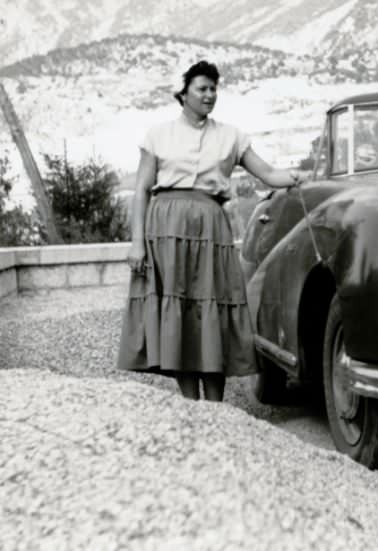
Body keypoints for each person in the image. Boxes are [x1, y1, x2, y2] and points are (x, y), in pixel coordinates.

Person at [117, 60, 306, 401]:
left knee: (212, 311)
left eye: (213, 89)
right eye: (202, 88)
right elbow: (142, 190)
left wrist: (296, 177)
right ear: (184, 93)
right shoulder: (157, 135)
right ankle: (192, 405)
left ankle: (215, 408)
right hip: (165, 230)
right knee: (179, 314)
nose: (209, 95)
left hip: (210, 230)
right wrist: (137, 244)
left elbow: (267, 173)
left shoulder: (230, 136)